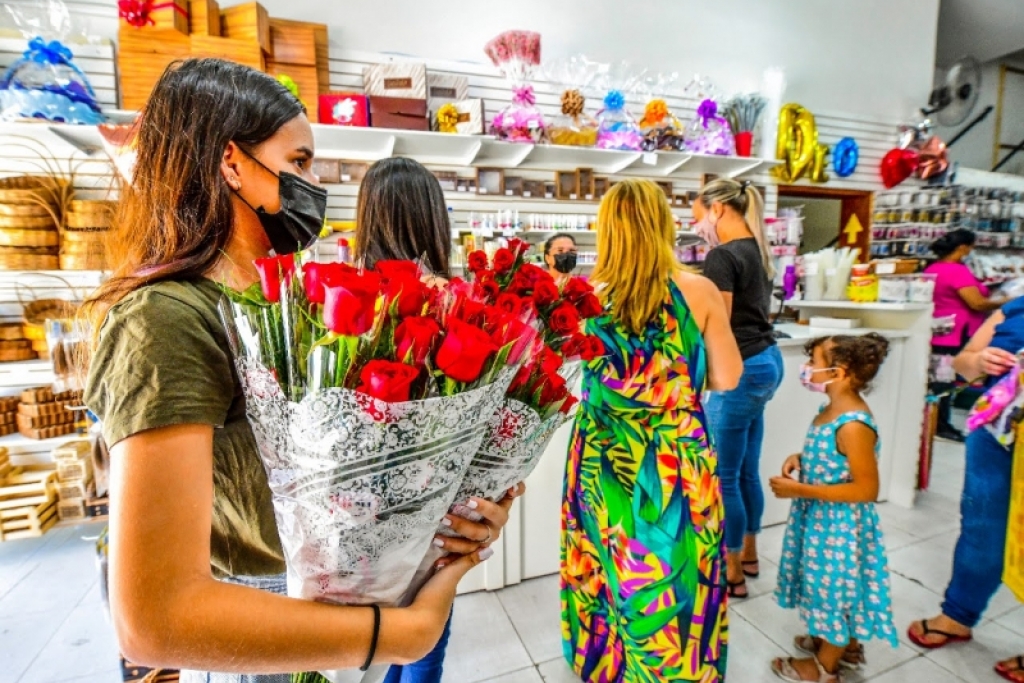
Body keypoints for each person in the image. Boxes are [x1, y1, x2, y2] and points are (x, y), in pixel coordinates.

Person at [82, 59, 516, 683]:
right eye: (301, 161)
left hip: (328, 615)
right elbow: (153, 619)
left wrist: (446, 525)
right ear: (232, 163)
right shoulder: (164, 319)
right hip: (255, 633)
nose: (314, 184)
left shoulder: (283, 305)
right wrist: (400, 634)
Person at [561, 179, 743, 681]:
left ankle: (606, 666)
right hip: (673, 456)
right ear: (663, 224)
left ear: (606, 230)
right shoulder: (699, 290)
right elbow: (728, 377)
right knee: (676, 567)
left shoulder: (585, 296)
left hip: (603, 455)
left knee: (604, 559)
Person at [354, 156, 520, 683]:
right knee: (423, 643)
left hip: (357, 519)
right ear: (434, 219)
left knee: (361, 650)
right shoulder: (459, 306)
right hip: (437, 519)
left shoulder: (347, 301)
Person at [769, 333, 898, 682]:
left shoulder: (853, 425)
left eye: (812, 362)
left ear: (838, 372)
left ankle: (824, 668)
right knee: (825, 586)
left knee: (833, 594)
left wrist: (799, 489)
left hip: (838, 527)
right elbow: (836, 460)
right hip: (820, 520)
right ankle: (845, 647)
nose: (806, 368)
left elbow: (866, 489)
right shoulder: (830, 411)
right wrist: (802, 458)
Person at [908, 296, 1024, 683]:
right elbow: (963, 361)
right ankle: (958, 614)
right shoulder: (1015, 307)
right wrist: (980, 361)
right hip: (995, 434)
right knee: (981, 526)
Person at [693, 177, 784, 598]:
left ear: (718, 209)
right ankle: (749, 554)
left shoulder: (722, 255)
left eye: (698, 217)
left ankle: (731, 570)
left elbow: (718, 324)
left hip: (741, 369)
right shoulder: (758, 250)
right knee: (747, 468)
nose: (697, 227)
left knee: (723, 475)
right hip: (767, 361)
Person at [924, 228, 1006, 442]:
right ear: (962, 248)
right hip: (955, 333)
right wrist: (1008, 302)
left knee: (938, 380)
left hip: (939, 331)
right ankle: (941, 425)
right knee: (945, 381)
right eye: (971, 247)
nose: (971, 251)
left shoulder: (933, 268)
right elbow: (977, 303)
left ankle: (935, 422)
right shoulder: (957, 271)